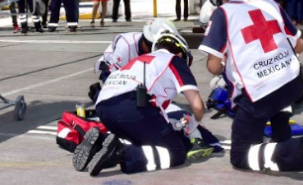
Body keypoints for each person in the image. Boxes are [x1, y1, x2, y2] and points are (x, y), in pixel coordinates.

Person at [198, 0, 303, 179]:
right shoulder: (270, 3)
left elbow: (213, 66)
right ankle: (285, 142)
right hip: (293, 83)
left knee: (240, 155)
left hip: (260, 92)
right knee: (277, 106)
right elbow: (300, 45)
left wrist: (227, 68)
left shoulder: (223, 13)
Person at [73, 32, 205, 176]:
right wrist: (193, 125)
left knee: (143, 141)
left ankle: (100, 141)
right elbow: (197, 106)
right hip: (132, 104)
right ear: (180, 54)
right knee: (176, 152)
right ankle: (121, 153)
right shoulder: (175, 60)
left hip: (103, 105)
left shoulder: (140, 60)